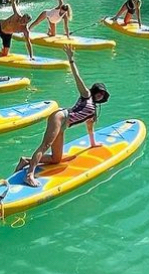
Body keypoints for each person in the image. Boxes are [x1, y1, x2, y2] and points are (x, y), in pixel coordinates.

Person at [16, 45, 109, 188]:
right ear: (94, 91)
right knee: (45, 145)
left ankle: (26, 160)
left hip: (64, 126)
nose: (100, 95)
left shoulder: (93, 111)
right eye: (99, 92)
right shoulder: (87, 95)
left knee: (56, 159)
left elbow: (90, 128)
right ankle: (29, 175)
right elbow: (77, 78)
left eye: (102, 94)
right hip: (60, 117)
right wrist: (71, 60)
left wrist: (93, 144)